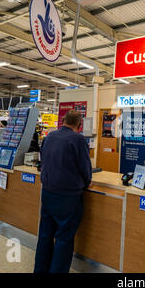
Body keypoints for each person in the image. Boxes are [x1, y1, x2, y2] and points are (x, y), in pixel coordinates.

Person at [34, 110, 92, 273]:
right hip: (68, 196)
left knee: (45, 235)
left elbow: (43, 160)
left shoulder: (49, 136)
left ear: (63, 121)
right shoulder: (78, 139)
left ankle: (40, 269)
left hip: (47, 192)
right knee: (63, 238)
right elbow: (85, 167)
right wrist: (87, 182)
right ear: (79, 125)